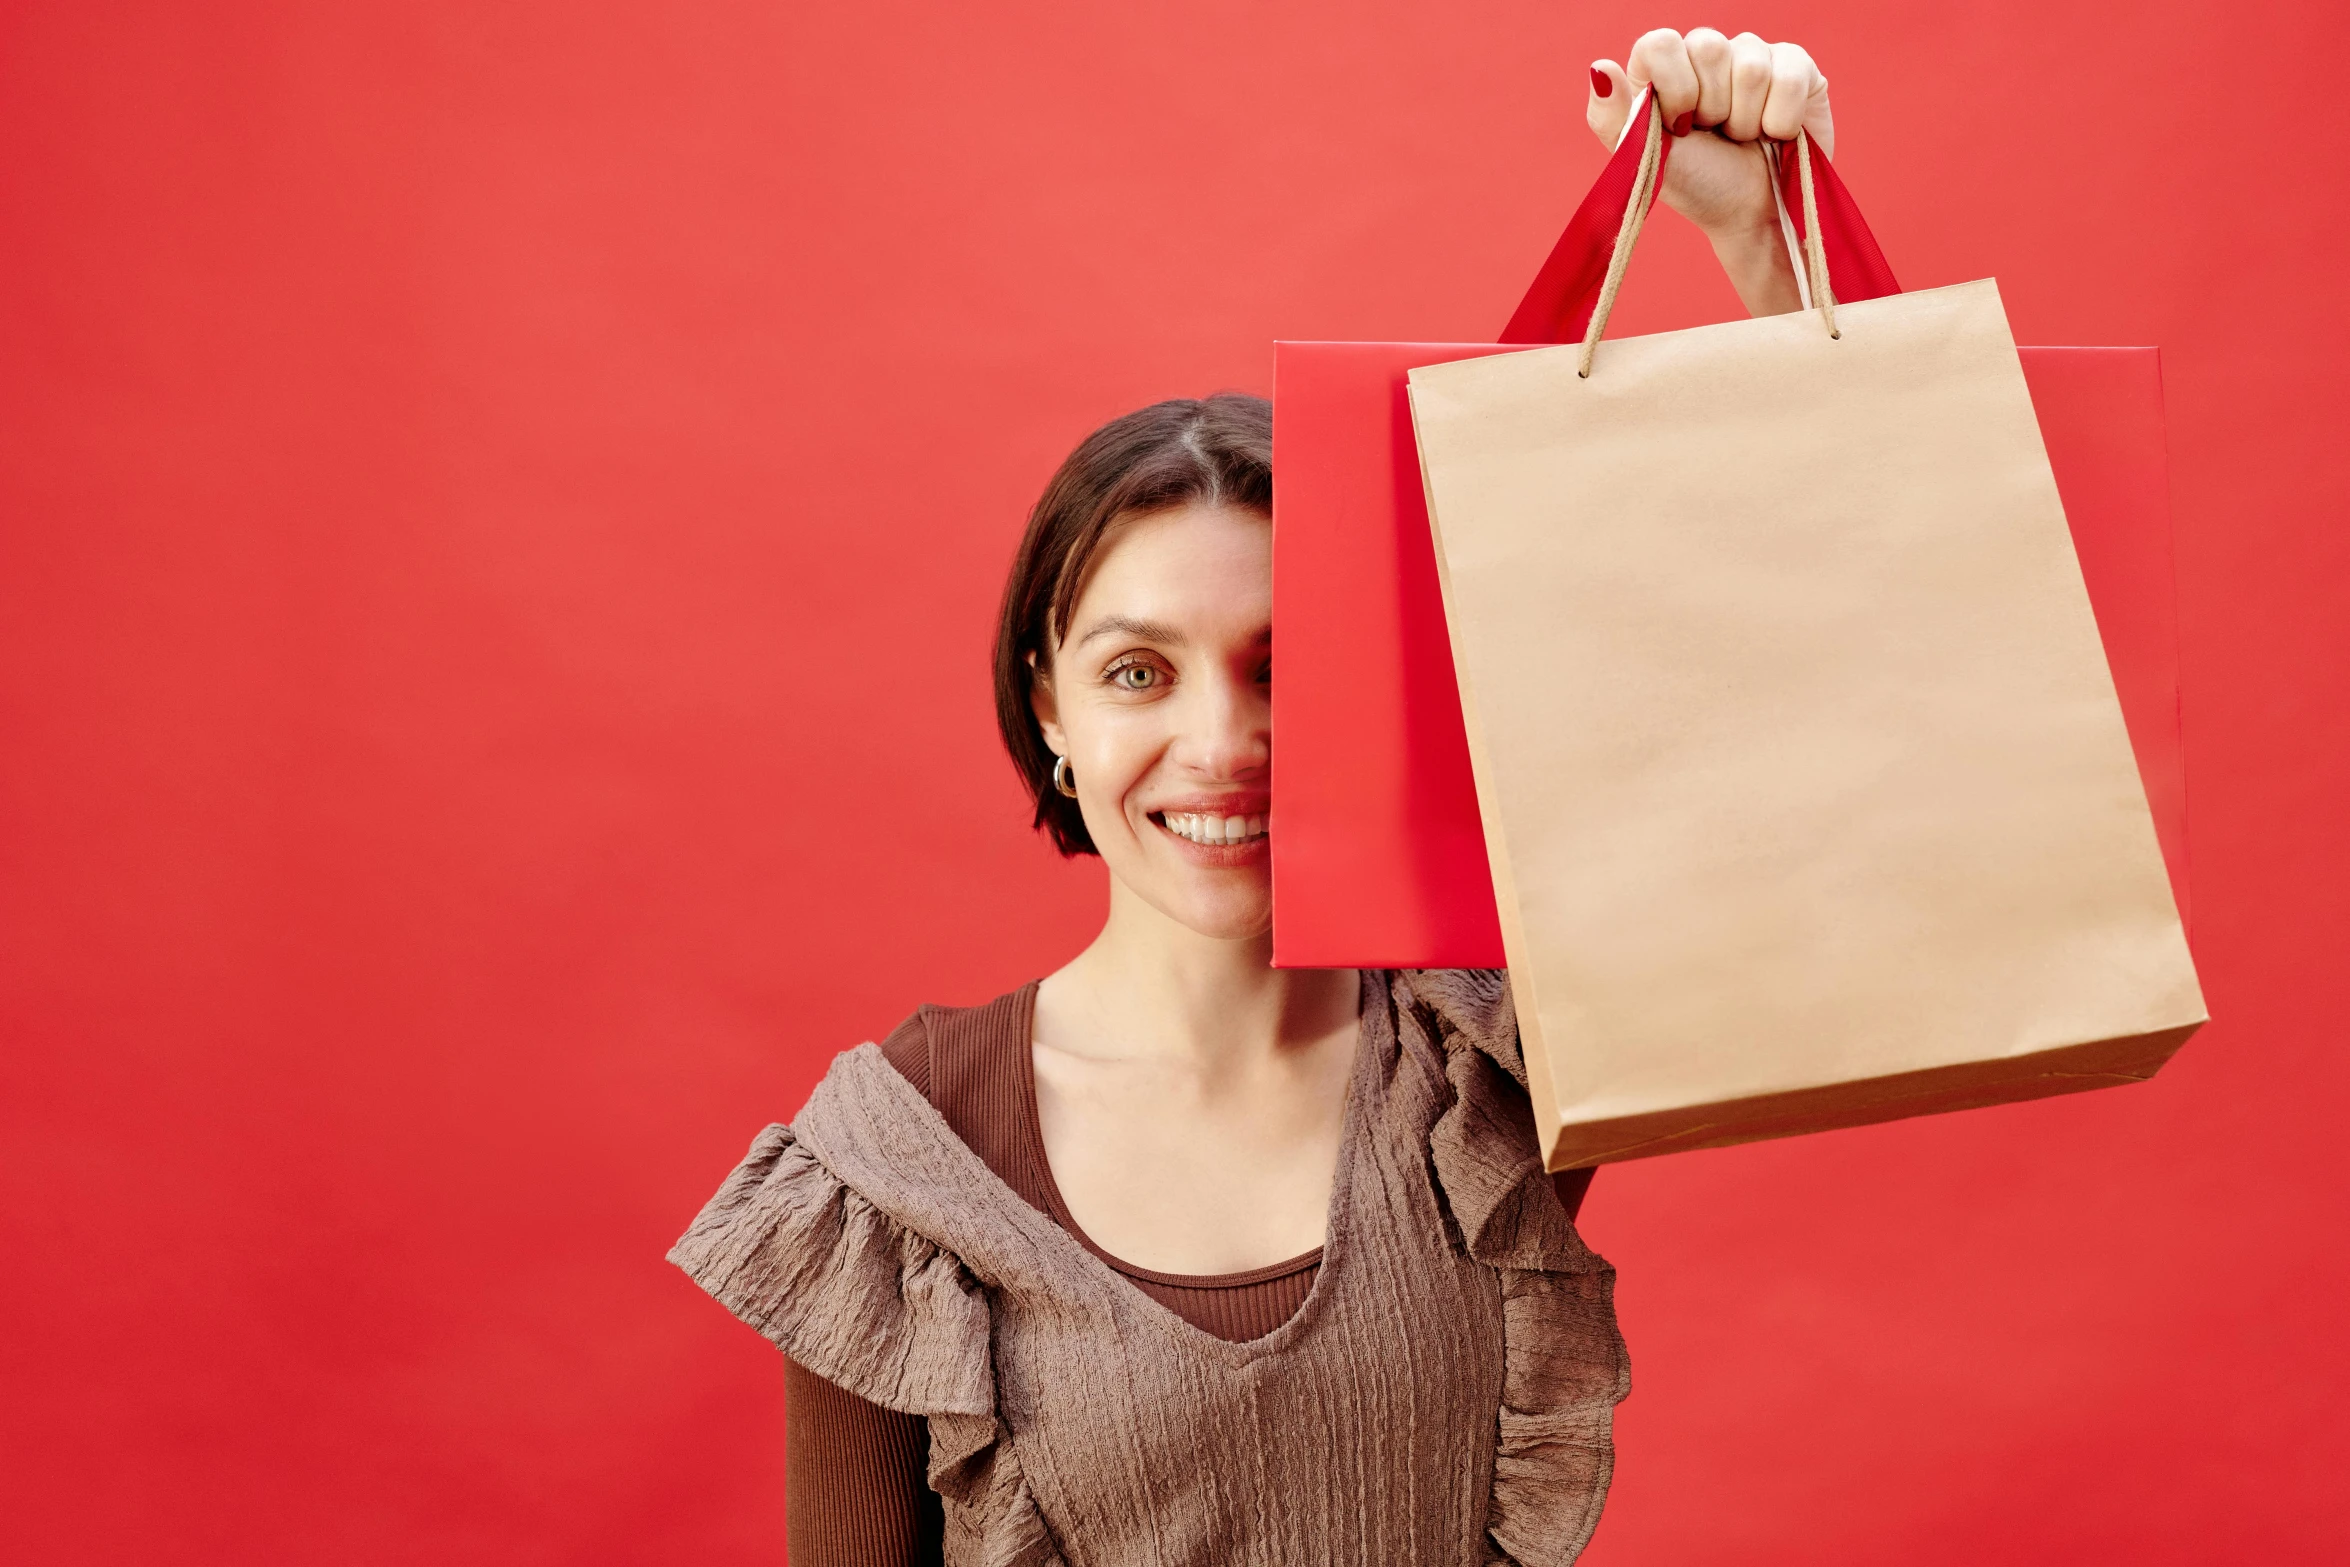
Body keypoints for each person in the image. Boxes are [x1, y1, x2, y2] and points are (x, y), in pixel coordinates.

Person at [673, 28, 1840, 1565]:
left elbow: (1803, 744)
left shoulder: (1482, 1052)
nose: (1222, 742)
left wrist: (1762, 242)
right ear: (1049, 704)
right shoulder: (902, 1154)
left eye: (1282, 666)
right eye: (1140, 673)